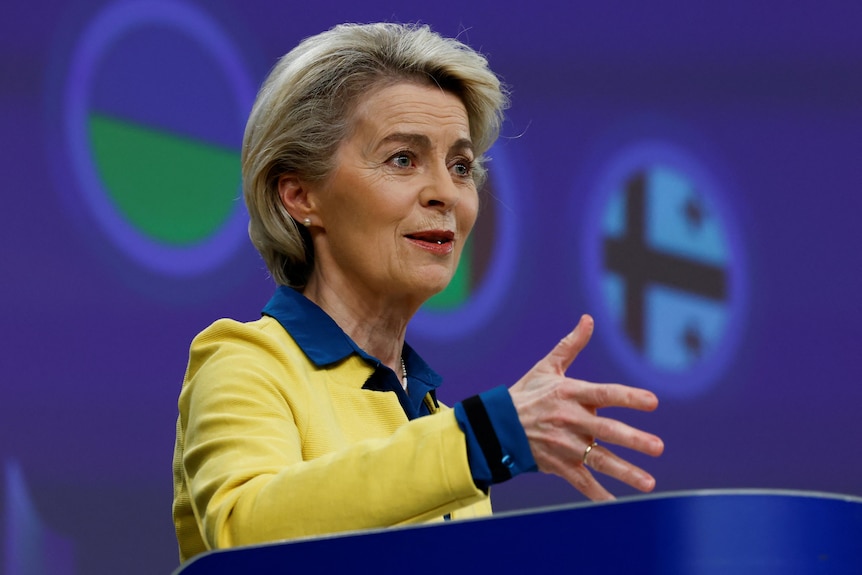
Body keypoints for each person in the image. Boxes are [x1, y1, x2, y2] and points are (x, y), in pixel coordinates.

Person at [172, 22, 664, 563]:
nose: (446, 194)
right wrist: (485, 436)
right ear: (299, 194)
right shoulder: (247, 364)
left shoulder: (436, 420)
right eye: (403, 158)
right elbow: (249, 536)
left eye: (461, 166)